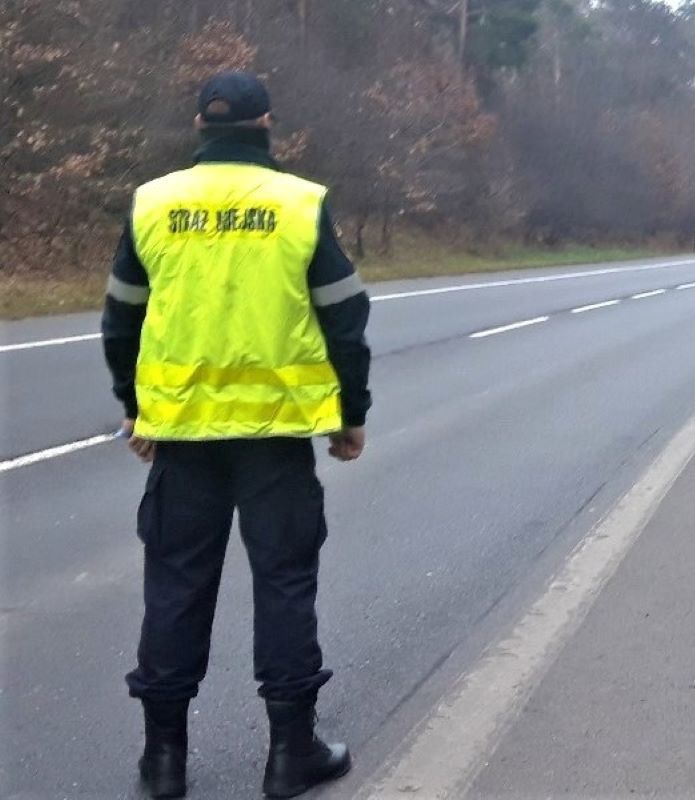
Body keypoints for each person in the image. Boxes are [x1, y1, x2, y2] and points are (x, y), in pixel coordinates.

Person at [101, 71, 371, 799]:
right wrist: (351, 412)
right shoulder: (298, 203)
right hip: (275, 435)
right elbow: (344, 313)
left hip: (183, 437)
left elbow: (121, 316)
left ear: (198, 126)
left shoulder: (153, 204)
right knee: (284, 584)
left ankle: (162, 764)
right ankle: (291, 755)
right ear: (267, 124)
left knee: (174, 588)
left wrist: (135, 407)